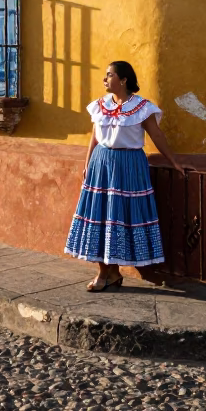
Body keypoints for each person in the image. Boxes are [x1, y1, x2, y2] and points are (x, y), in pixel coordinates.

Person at [65, 61, 183, 291]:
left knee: (121, 218)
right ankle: (104, 273)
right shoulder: (100, 105)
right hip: (101, 164)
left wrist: (175, 162)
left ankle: (114, 273)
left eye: (109, 75)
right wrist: (87, 163)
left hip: (129, 167)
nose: (105, 79)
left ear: (124, 79)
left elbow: (156, 136)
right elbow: (95, 136)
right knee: (101, 216)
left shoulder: (142, 107)